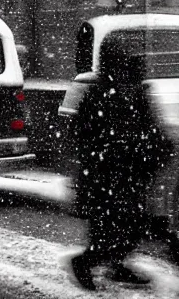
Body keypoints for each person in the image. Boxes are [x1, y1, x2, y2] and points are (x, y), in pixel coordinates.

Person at [70, 35, 173, 291]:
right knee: (116, 226)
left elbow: (149, 128)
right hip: (108, 174)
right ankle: (85, 262)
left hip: (124, 172)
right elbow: (85, 133)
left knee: (127, 225)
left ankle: (115, 265)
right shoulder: (102, 93)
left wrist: (156, 148)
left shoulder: (129, 91)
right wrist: (115, 153)